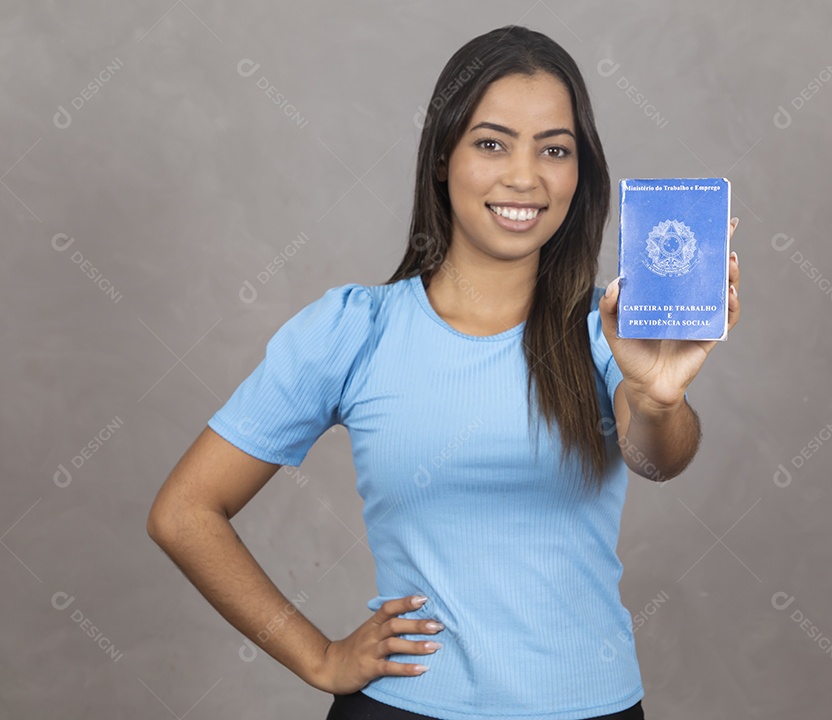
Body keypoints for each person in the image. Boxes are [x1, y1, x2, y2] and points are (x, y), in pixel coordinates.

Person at [147, 24, 741, 720]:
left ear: (580, 174)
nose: (524, 177)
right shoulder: (353, 331)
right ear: (441, 158)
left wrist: (660, 397)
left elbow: (658, 461)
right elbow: (184, 514)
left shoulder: (606, 329)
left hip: (594, 708)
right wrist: (319, 657)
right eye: (492, 143)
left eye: (554, 150)